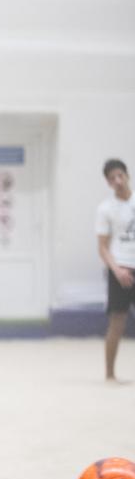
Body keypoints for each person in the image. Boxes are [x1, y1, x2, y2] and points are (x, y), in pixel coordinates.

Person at [97, 158, 135, 383]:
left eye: (120, 175)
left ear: (127, 175)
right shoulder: (105, 209)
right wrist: (117, 270)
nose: (118, 181)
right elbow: (102, 247)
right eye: (112, 178)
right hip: (120, 268)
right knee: (117, 322)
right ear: (108, 183)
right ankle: (110, 374)